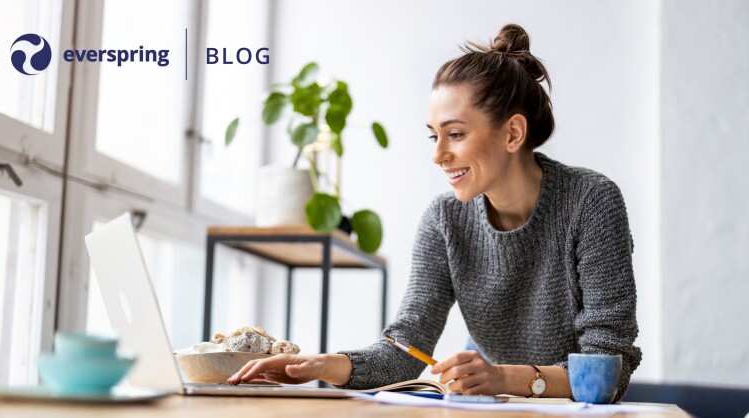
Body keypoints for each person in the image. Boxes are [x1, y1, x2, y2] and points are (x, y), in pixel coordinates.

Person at [228, 23, 641, 400]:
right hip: (491, 407)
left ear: (513, 133)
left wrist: (501, 378)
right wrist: (322, 366)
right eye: (433, 137)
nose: (439, 155)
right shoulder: (445, 220)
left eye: (455, 134)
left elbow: (608, 369)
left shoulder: (591, 202)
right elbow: (407, 347)